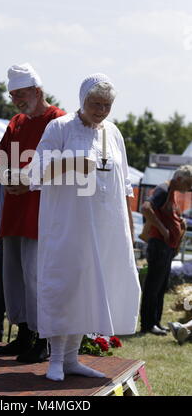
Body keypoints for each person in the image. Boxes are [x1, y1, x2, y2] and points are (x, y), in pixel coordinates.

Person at [30, 73, 141, 381]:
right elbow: (35, 172)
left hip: (104, 230)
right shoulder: (60, 127)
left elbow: (125, 186)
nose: (101, 110)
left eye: (107, 105)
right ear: (82, 100)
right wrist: (70, 163)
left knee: (89, 290)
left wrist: (128, 232)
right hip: (67, 225)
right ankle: (55, 360)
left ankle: (71, 359)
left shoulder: (113, 133)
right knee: (64, 286)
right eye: (95, 103)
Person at [0, 62, 65, 363]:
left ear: (37, 90)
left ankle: (44, 340)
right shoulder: (16, 122)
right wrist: (7, 178)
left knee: (37, 278)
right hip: (14, 213)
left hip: (43, 215)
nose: (17, 100)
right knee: (14, 278)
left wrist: (29, 183)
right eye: (13, 95)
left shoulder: (59, 120)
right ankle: (24, 334)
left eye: (21, 93)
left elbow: (65, 168)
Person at [140, 165, 192, 335]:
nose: (189, 188)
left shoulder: (170, 192)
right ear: (179, 179)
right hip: (159, 245)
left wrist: (179, 222)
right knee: (153, 286)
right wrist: (163, 230)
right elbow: (146, 208)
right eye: (188, 183)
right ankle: (148, 324)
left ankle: (156, 321)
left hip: (167, 247)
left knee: (160, 286)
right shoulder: (162, 190)